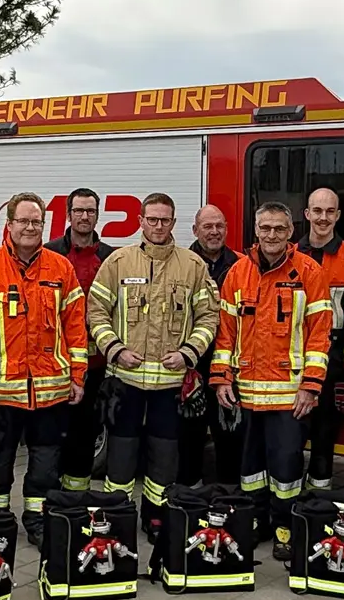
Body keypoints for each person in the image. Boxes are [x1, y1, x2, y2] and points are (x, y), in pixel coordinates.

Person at [0, 193, 88, 544]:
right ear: (9, 224)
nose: (31, 227)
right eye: (24, 221)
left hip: (52, 393)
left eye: (37, 222)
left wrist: (77, 377)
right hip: (1, 393)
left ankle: (39, 522)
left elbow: (76, 328)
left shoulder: (61, 268)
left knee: (45, 467)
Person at [87, 193, 219, 540]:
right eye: (153, 219)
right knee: (121, 457)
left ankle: (156, 518)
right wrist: (114, 349)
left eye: (165, 220)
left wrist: (189, 354)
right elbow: (96, 311)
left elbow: (209, 317)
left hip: (170, 384)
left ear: (174, 223)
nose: (159, 226)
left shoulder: (192, 266)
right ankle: (117, 516)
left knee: (163, 459)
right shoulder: (118, 262)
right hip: (125, 381)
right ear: (141, 221)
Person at [211, 201, 332, 561]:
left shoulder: (309, 272)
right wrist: (221, 378)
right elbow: (225, 334)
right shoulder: (238, 273)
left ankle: (284, 529)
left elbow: (319, 335)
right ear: (255, 230)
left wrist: (311, 385)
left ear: (291, 231)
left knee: (286, 469)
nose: (272, 235)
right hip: (246, 393)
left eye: (279, 228)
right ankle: (253, 523)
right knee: (249, 470)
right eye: (265, 228)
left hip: (289, 395)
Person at [45, 187, 116, 492]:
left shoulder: (111, 258)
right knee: (51, 432)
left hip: (96, 363)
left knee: (86, 432)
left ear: (97, 215)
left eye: (90, 211)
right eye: (79, 211)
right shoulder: (49, 253)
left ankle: (77, 496)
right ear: (69, 213)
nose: (85, 216)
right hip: (54, 360)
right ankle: (49, 493)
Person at [298, 188, 344, 491]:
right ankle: (286, 500)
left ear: (338, 216)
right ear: (307, 214)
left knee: (325, 436)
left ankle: (318, 498)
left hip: (335, 357)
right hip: (293, 357)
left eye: (329, 212)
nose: (323, 218)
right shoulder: (290, 254)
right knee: (291, 433)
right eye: (317, 211)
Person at [177, 204, 242, 485]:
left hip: (229, 366)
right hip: (189, 367)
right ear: (195, 230)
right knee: (188, 439)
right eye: (207, 226)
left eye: (219, 226)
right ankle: (189, 500)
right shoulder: (179, 264)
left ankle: (227, 502)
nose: (214, 232)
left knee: (229, 437)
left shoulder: (241, 266)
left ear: (226, 229)